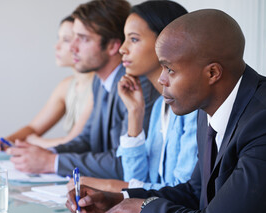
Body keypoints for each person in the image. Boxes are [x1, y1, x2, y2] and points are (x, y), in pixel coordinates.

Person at [66, 9, 266, 213]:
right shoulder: (209, 105)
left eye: (170, 69)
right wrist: (119, 199)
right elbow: (195, 192)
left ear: (212, 73)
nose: (161, 79)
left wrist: (146, 210)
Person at [7, 0, 159, 178]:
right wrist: (48, 153)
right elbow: (87, 140)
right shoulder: (100, 81)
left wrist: (51, 162)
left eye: (83, 39)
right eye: (73, 37)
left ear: (112, 46)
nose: (72, 48)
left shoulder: (137, 86)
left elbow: (124, 161)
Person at [67, 0, 197, 193]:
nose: (122, 49)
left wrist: (110, 186)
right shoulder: (160, 106)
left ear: (168, 41)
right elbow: (136, 179)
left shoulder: (193, 109)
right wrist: (135, 113)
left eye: (134, 39)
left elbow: (182, 194)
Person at [1, 16, 94, 149]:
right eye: (59, 38)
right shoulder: (66, 86)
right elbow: (33, 127)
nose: (57, 46)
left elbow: (73, 142)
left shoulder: (99, 87)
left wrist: (35, 141)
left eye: (66, 40)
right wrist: (5, 141)